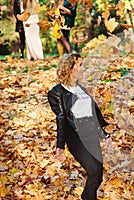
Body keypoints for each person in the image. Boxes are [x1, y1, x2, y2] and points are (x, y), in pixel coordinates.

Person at [47, 53, 111, 200]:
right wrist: (60, 146)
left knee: (98, 176)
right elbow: (61, 119)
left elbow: (92, 115)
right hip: (76, 136)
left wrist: (104, 134)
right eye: (80, 65)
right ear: (70, 67)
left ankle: (85, 196)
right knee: (94, 171)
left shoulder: (81, 89)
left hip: (91, 134)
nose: (83, 68)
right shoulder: (57, 92)